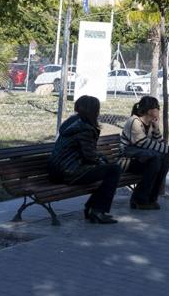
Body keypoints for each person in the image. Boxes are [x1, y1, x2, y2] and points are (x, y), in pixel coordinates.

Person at [49, 95, 122, 224]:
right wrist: (103, 161)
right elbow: (90, 156)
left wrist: (101, 160)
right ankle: (97, 211)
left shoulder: (73, 123)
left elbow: (87, 153)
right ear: (93, 111)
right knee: (114, 170)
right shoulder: (85, 128)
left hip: (59, 171)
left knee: (109, 170)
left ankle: (92, 208)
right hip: (70, 172)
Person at [119, 95, 169, 210]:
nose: (159, 110)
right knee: (156, 160)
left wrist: (156, 128)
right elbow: (144, 143)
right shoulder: (134, 121)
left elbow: (160, 143)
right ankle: (139, 199)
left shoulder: (150, 124)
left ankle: (151, 198)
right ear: (149, 111)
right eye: (157, 107)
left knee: (165, 160)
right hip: (126, 161)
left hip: (142, 160)